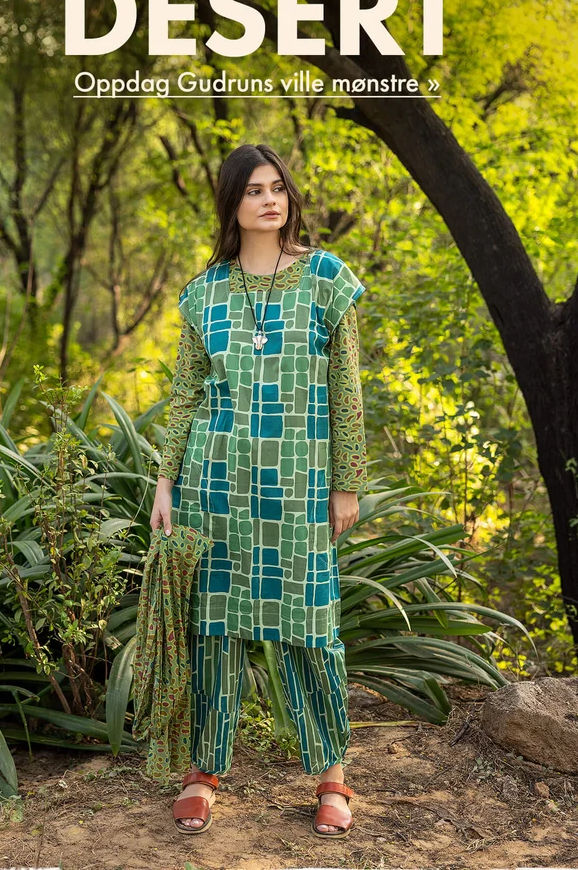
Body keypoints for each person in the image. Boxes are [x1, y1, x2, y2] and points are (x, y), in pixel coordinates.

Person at [150, 142, 367, 838]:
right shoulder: (205, 292)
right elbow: (185, 394)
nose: (269, 200)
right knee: (213, 626)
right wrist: (166, 481)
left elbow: (347, 391)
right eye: (253, 190)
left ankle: (331, 775)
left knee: (311, 625)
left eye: (277, 187)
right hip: (216, 483)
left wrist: (346, 484)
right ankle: (202, 771)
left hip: (299, 486)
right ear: (232, 203)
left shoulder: (327, 280)